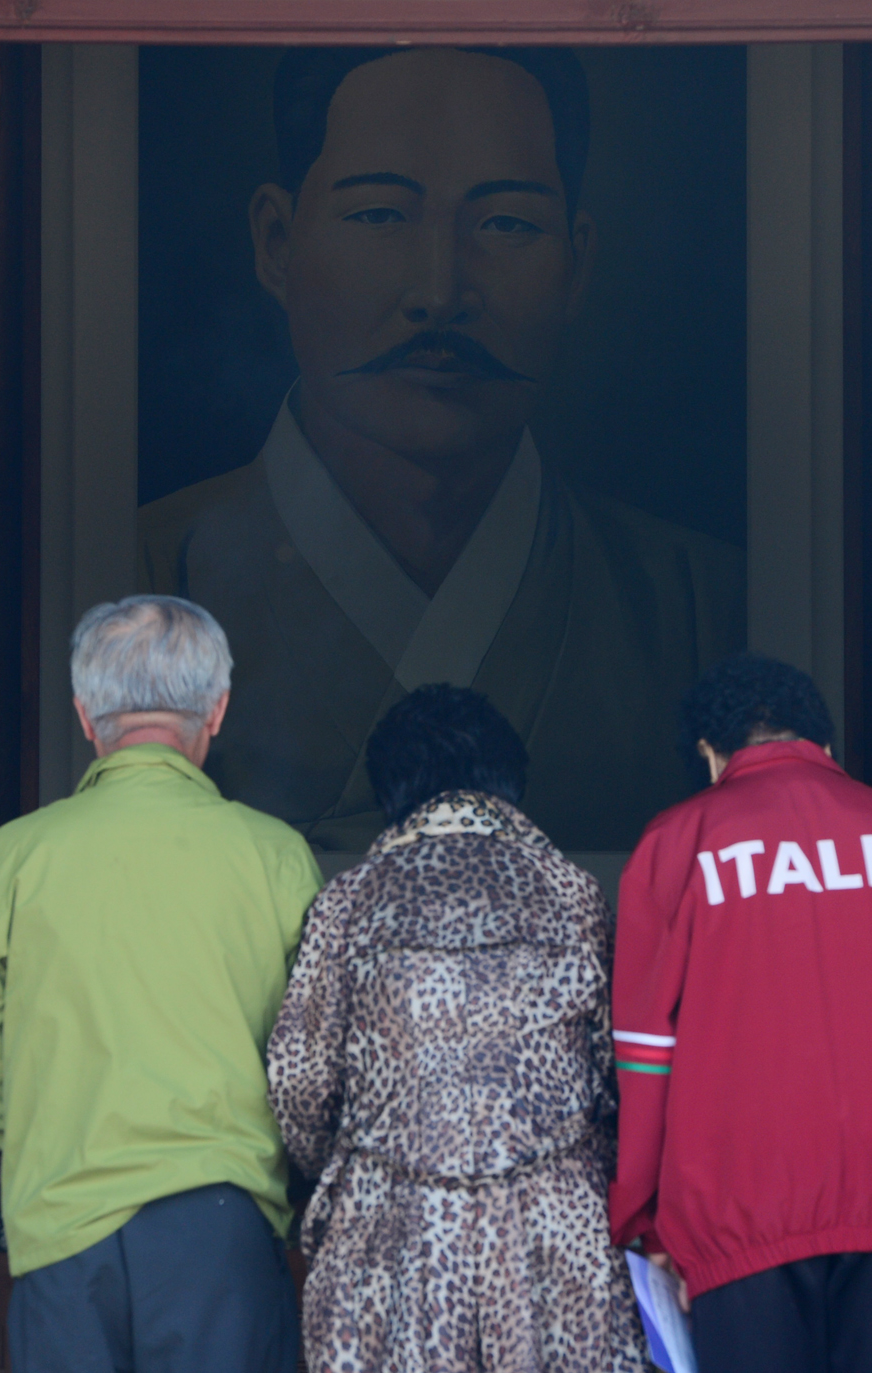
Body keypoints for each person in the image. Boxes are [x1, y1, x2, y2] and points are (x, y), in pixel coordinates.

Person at [140, 45, 744, 852]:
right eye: (380, 215)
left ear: (578, 260)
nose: (438, 293)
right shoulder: (156, 564)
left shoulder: (693, 600)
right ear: (277, 242)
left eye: (506, 224)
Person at [0, 595, 321, 1373]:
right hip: (221, 1218)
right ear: (218, 710)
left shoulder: (14, 855)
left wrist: (36, 1136)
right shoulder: (275, 855)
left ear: (85, 714)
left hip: (60, 1211)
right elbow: (310, 1059)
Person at [608, 654, 872, 1373]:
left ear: (709, 754)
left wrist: (644, 1215)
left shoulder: (679, 842)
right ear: (825, 747)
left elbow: (645, 1049)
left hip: (742, 1196)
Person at [267, 684, 647, 1373]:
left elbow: (300, 1082)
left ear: (392, 791)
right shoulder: (574, 893)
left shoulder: (350, 900)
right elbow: (618, 1074)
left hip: (390, 1232)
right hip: (555, 1235)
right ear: (510, 784)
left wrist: (354, 1163)